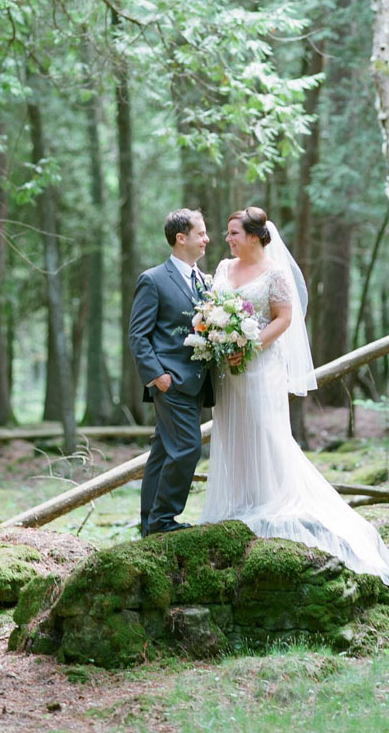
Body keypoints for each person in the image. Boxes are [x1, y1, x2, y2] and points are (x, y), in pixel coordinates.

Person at [201, 206, 389, 590]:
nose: (228, 239)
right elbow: (212, 312)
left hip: (261, 367)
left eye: (234, 233)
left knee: (265, 430)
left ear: (256, 236)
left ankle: (268, 500)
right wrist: (219, 338)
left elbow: (284, 318)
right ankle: (238, 502)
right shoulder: (224, 269)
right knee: (233, 431)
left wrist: (250, 343)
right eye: (227, 234)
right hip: (228, 372)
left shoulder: (275, 273)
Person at [129, 208, 214, 536]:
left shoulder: (202, 280)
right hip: (170, 381)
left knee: (164, 449)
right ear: (181, 238)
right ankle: (165, 519)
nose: (206, 239)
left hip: (196, 382)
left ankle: (150, 522)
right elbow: (138, 334)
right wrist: (157, 376)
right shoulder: (153, 279)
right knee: (188, 447)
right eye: (201, 233)